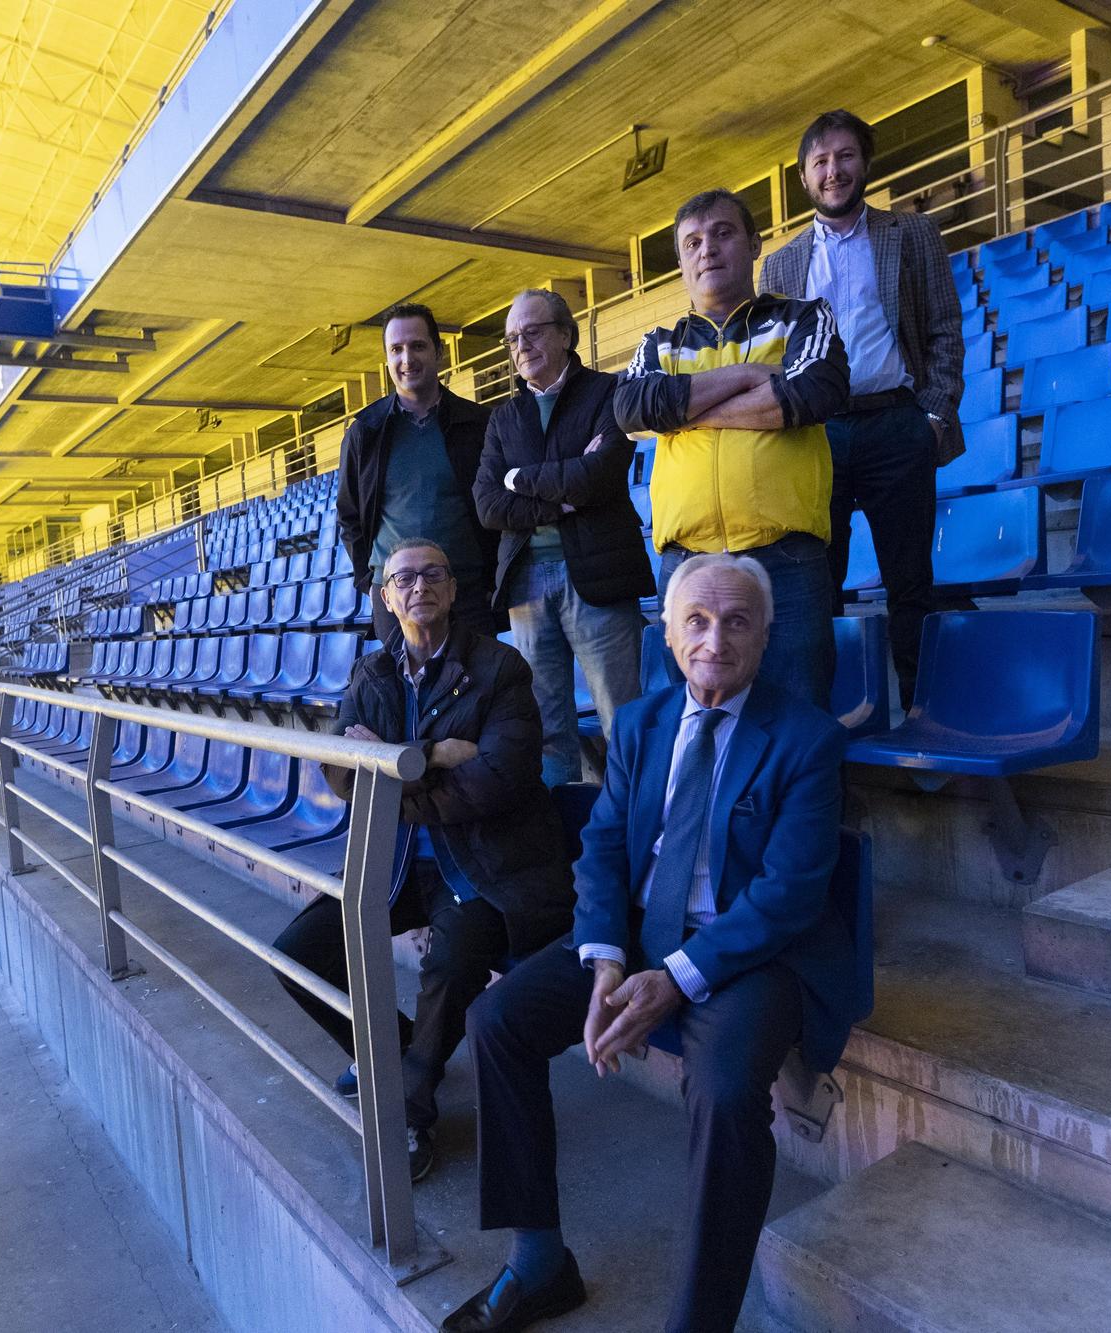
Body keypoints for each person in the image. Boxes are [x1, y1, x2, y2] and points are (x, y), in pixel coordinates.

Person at [442, 553, 854, 1333]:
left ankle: (699, 1323)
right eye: (695, 620)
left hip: (748, 955)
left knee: (728, 1092)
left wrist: (674, 975)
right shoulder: (639, 724)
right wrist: (601, 957)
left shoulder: (807, 739)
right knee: (497, 1022)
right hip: (631, 934)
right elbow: (601, 849)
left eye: (737, 621)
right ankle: (539, 1261)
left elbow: (789, 892)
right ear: (666, 635)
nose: (715, 639)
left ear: (767, 637)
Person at [272, 538, 575, 1183]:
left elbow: (500, 778)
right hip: (401, 863)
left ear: (453, 589)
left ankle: (410, 1112)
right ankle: (399, 1050)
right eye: (403, 578)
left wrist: (392, 767)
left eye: (432, 573)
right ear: (385, 597)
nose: (418, 586)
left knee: (451, 960)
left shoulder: (500, 668)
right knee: (298, 952)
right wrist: (431, 756)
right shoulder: (371, 674)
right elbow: (345, 774)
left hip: (486, 867)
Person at [614, 188, 850, 708]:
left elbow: (812, 392)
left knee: (799, 716)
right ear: (681, 263)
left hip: (785, 558)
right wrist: (746, 376)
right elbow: (632, 409)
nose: (708, 250)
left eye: (723, 234)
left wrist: (681, 416)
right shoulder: (657, 343)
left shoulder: (805, 318)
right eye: (693, 242)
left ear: (754, 244)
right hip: (686, 563)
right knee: (697, 720)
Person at [762, 110, 965, 710]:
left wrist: (931, 417)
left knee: (910, 583)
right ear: (804, 177)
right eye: (820, 161)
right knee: (817, 584)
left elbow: (946, 330)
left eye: (845, 156)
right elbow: (777, 361)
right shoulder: (781, 265)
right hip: (817, 436)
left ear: (865, 163)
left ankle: (924, 710)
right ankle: (835, 713)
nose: (834, 171)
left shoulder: (912, 233)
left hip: (898, 425)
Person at [472, 288, 654, 786]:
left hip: (597, 574)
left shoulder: (607, 391)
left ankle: (633, 838)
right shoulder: (504, 418)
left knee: (623, 717)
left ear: (565, 334)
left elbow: (602, 474)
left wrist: (522, 479)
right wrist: (565, 489)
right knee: (546, 726)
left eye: (532, 332)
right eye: (513, 338)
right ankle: (560, 841)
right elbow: (488, 504)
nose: (521, 346)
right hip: (527, 583)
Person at [337, 304, 499, 640]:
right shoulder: (365, 432)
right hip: (396, 595)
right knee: (406, 691)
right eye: (396, 349)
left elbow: (495, 503)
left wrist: (491, 578)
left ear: (439, 352)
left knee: (475, 690)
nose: (406, 359)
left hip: (465, 591)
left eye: (418, 346)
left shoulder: (478, 424)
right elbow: (350, 515)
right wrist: (369, 582)